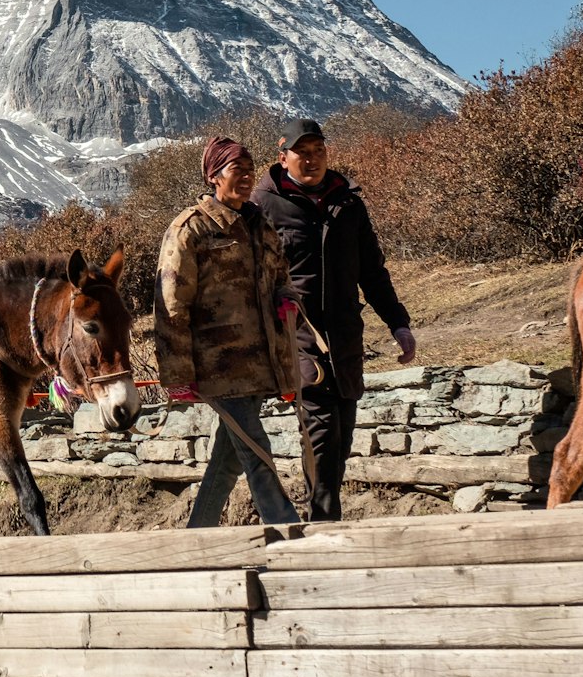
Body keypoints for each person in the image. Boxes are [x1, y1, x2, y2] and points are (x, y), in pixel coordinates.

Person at [253, 117, 416, 522]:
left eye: (318, 151)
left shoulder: (348, 202)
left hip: (346, 337)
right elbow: (248, 276)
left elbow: (372, 272)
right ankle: (325, 530)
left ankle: (320, 520)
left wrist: (398, 323)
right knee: (322, 435)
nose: (311, 160)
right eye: (302, 153)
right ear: (283, 156)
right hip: (298, 335)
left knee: (340, 439)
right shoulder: (262, 205)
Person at [155, 136, 304, 528]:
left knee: (229, 459)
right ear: (213, 176)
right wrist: (179, 375)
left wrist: (286, 300)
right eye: (237, 169)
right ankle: (285, 528)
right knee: (256, 449)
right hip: (218, 369)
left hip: (261, 364)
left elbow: (281, 278)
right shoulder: (191, 229)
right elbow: (172, 306)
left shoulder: (260, 225)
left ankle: (196, 535)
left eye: (249, 169)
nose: (246, 176)